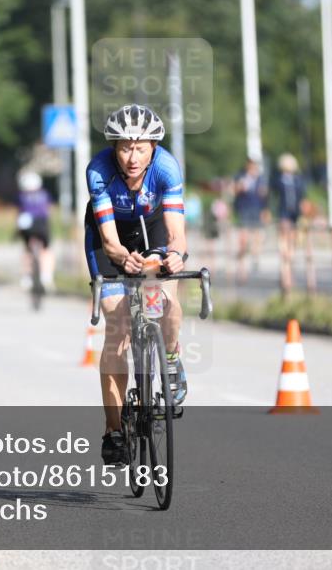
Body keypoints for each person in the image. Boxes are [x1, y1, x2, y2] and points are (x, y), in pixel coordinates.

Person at [85, 104, 187, 465]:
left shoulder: (166, 168)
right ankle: (114, 431)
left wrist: (174, 256)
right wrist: (119, 257)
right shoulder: (98, 171)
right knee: (117, 323)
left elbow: (177, 235)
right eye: (125, 147)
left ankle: (171, 357)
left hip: (152, 226)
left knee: (167, 295)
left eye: (140, 147)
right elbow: (110, 241)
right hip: (109, 234)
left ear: (153, 147)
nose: (132, 157)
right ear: (114, 147)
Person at [16, 170, 55, 291]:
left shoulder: (21, 196)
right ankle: (47, 276)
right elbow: (49, 210)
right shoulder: (45, 194)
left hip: (27, 225)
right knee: (46, 250)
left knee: (27, 250)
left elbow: (18, 213)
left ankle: (26, 277)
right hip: (42, 224)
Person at [272, 153, 305, 294]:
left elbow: (301, 198)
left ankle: (288, 274)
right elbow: (273, 198)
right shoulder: (278, 181)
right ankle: (285, 276)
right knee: (284, 247)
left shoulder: (297, 181)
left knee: (292, 247)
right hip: (283, 215)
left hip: (294, 216)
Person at [233, 157, 268, 283]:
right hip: (244, 210)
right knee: (243, 240)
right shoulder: (240, 176)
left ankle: (255, 257)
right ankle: (242, 269)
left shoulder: (260, 179)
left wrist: (265, 210)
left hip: (256, 210)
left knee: (258, 237)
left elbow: (264, 196)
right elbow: (234, 191)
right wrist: (240, 187)